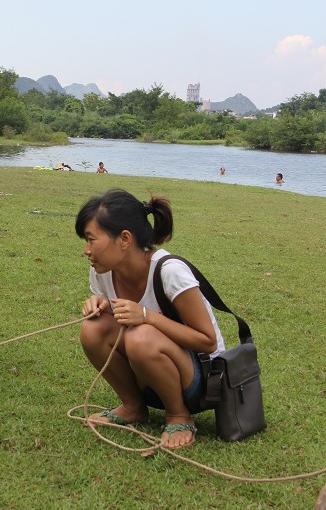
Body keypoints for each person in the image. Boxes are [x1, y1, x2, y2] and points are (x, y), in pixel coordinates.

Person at [75, 189, 226, 449]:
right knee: (93, 328)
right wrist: (103, 306)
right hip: (150, 372)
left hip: (199, 379)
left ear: (124, 239)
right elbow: (116, 317)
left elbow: (207, 341)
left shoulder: (170, 272)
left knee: (140, 335)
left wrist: (146, 316)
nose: (86, 251)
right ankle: (133, 407)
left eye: (91, 240)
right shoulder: (102, 271)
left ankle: (179, 415)